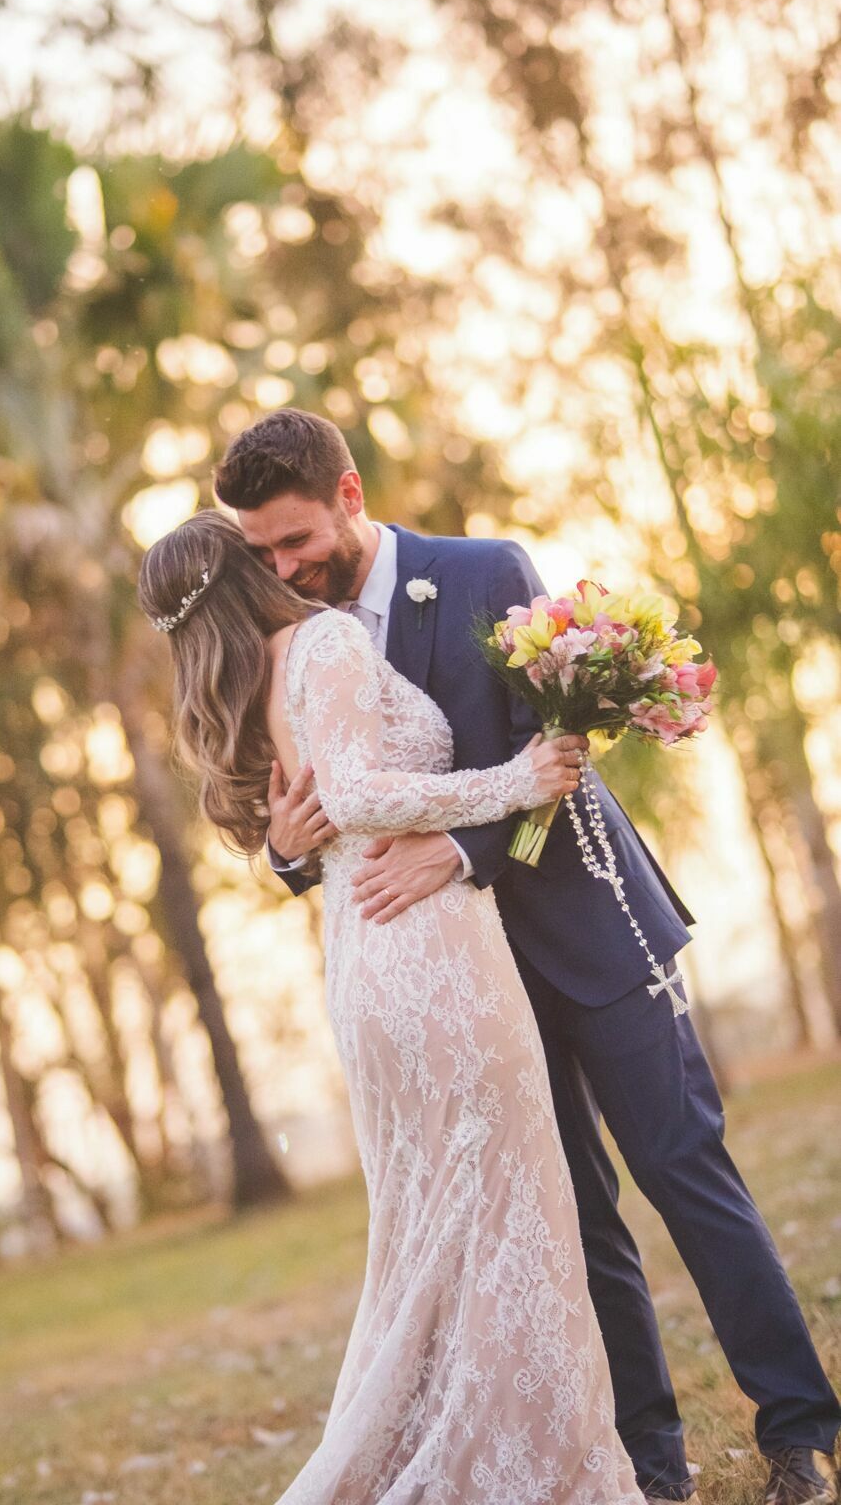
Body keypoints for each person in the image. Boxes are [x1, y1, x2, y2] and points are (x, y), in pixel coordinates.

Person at [209, 407, 840, 1505]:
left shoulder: (478, 571)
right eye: (260, 551)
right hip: (464, 983)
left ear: (348, 496)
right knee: (572, 1215)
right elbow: (316, 813)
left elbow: (547, 755)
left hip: (587, 925)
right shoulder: (295, 647)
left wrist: (457, 849)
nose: (283, 567)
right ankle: (647, 1459)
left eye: (296, 540)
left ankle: (798, 1429)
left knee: (684, 1170)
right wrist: (282, 850)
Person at [140, 508, 645, 1505]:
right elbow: (364, 795)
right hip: (430, 954)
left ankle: (500, 1454)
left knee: (442, 1230)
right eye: (262, 551)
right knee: (504, 1212)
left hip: (369, 965)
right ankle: (529, 1472)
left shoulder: (251, 680)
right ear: (248, 569)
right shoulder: (319, 641)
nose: (284, 560)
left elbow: (320, 815)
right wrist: (516, 778)